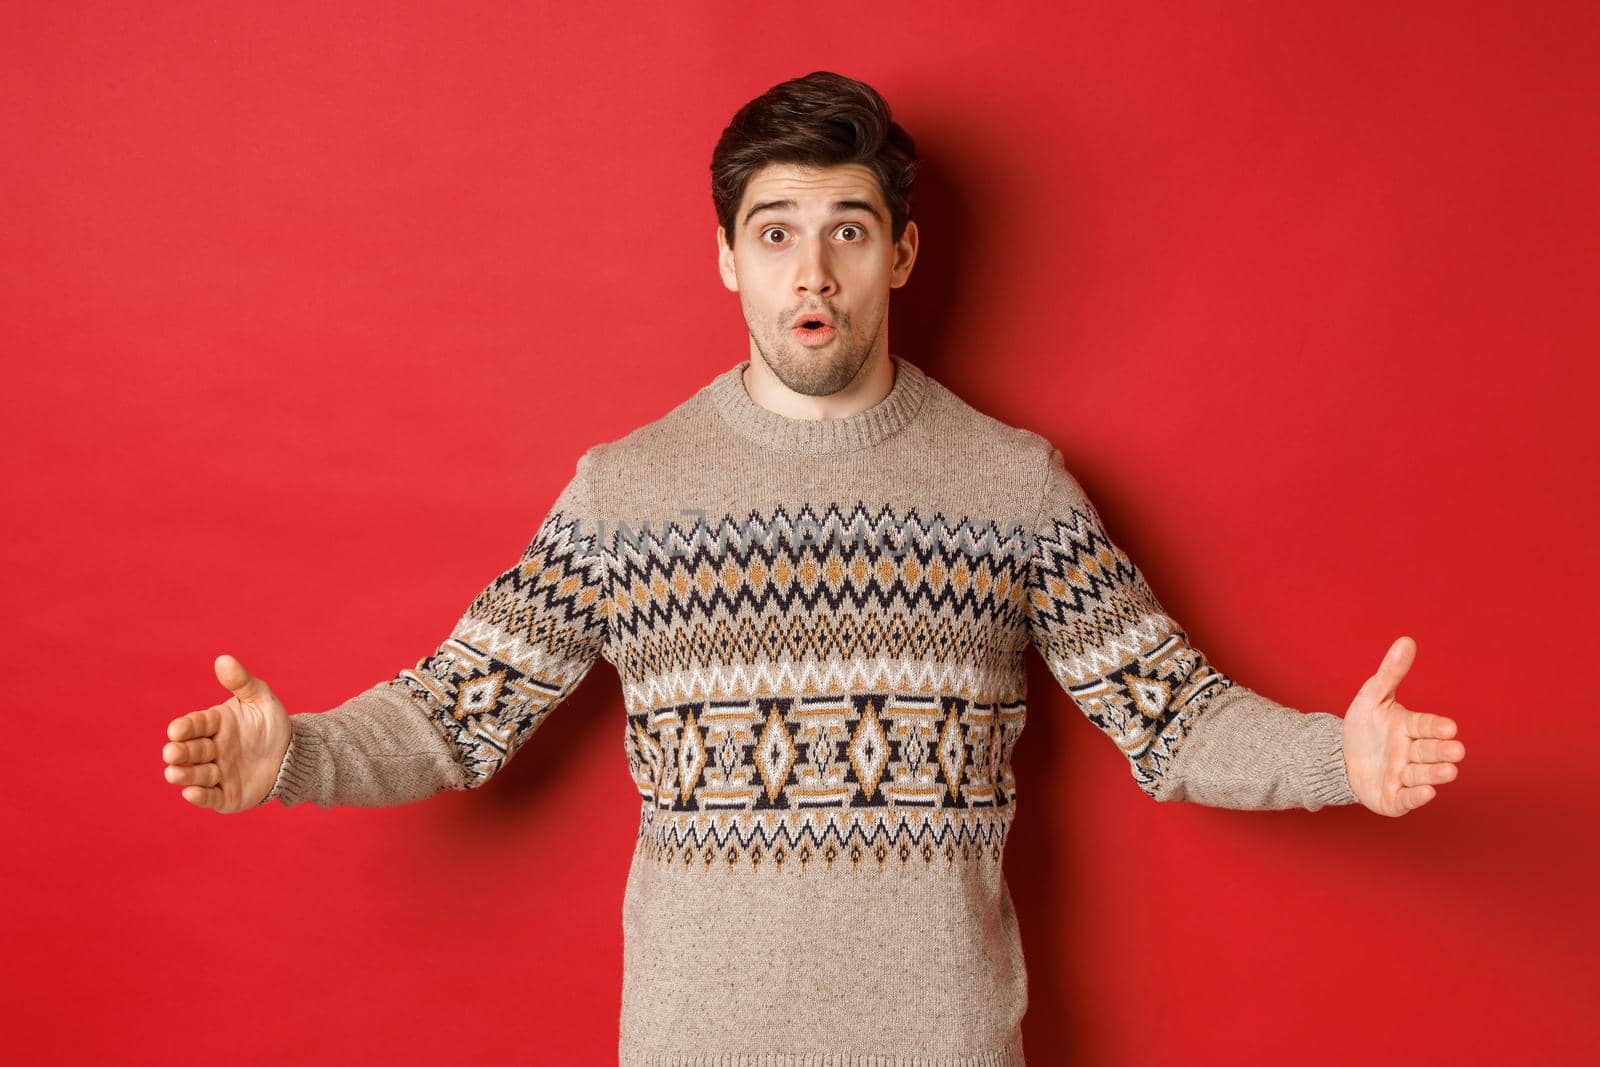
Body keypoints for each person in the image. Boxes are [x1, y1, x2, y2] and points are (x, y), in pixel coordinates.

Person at [160, 70, 1465, 1065]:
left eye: (848, 228)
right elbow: (456, 714)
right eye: (775, 231)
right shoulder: (628, 492)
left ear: (899, 254)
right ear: (726, 259)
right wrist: (298, 755)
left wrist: (1334, 760)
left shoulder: (1013, 486)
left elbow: (1171, 719)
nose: (813, 266)